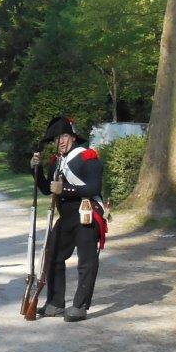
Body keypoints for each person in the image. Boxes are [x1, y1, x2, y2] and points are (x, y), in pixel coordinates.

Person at [30, 115, 106, 322]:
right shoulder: (57, 162)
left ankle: (80, 306)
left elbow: (93, 188)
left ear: (73, 137)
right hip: (66, 216)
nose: (60, 141)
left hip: (86, 213)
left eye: (64, 136)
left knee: (86, 261)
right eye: (56, 139)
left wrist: (65, 188)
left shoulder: (87, 157)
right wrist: (35, 169)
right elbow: (47, 189)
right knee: (53, 255)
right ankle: (55, 303)